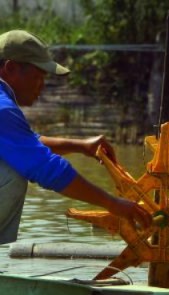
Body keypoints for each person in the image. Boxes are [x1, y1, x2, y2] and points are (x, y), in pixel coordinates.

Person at [0, 29, 152, 244]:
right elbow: (46, 168)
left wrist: (81, 146)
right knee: (15, 172)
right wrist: (112, 204)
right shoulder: (2, 110)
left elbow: (25, 145)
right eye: (38, 76)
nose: (41, 86)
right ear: (10, 68)